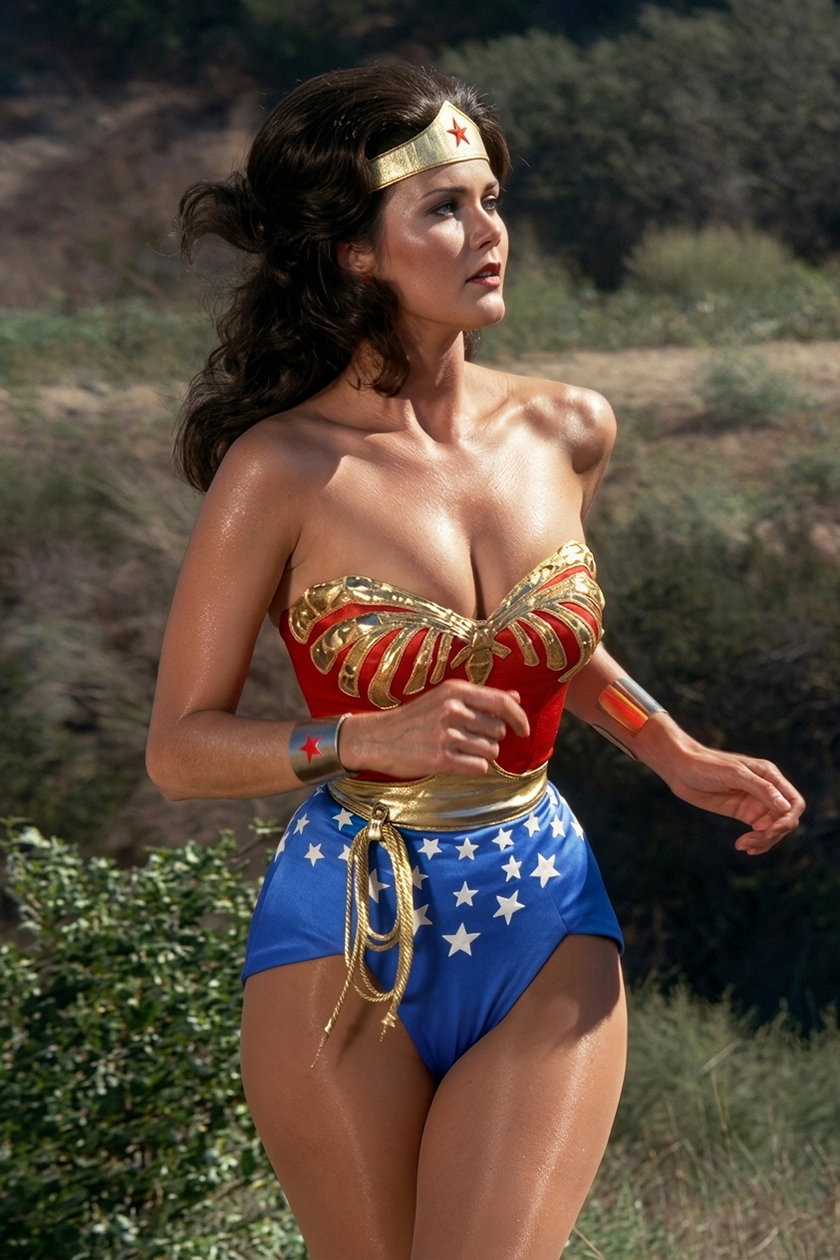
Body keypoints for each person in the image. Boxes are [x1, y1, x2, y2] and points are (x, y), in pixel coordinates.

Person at [146, 64, 804, 1260]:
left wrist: (672, 750)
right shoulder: (281, 470)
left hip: (542, 902)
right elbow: (180, 751)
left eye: (492, 200)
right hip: (347, 927)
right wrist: (359, 737)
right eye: (444, 209)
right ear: (356, 252)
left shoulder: (568, 428)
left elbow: (545, 641)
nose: (489, 232)